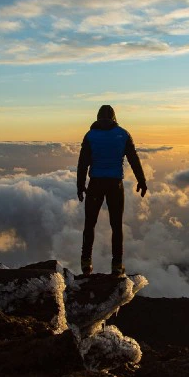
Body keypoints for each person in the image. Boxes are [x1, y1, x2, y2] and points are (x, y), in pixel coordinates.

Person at [77, 105, 147, 276]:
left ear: (98, 117)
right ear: (114, 118)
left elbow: (83, 163)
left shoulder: (90, 135)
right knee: (116, 226)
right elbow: (133, 159)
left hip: (95, 184)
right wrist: (142, 181)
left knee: (89, 224)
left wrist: (80, 185)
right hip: (115, 185)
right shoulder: (123, 134)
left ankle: (86, 263)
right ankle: (117, 265)